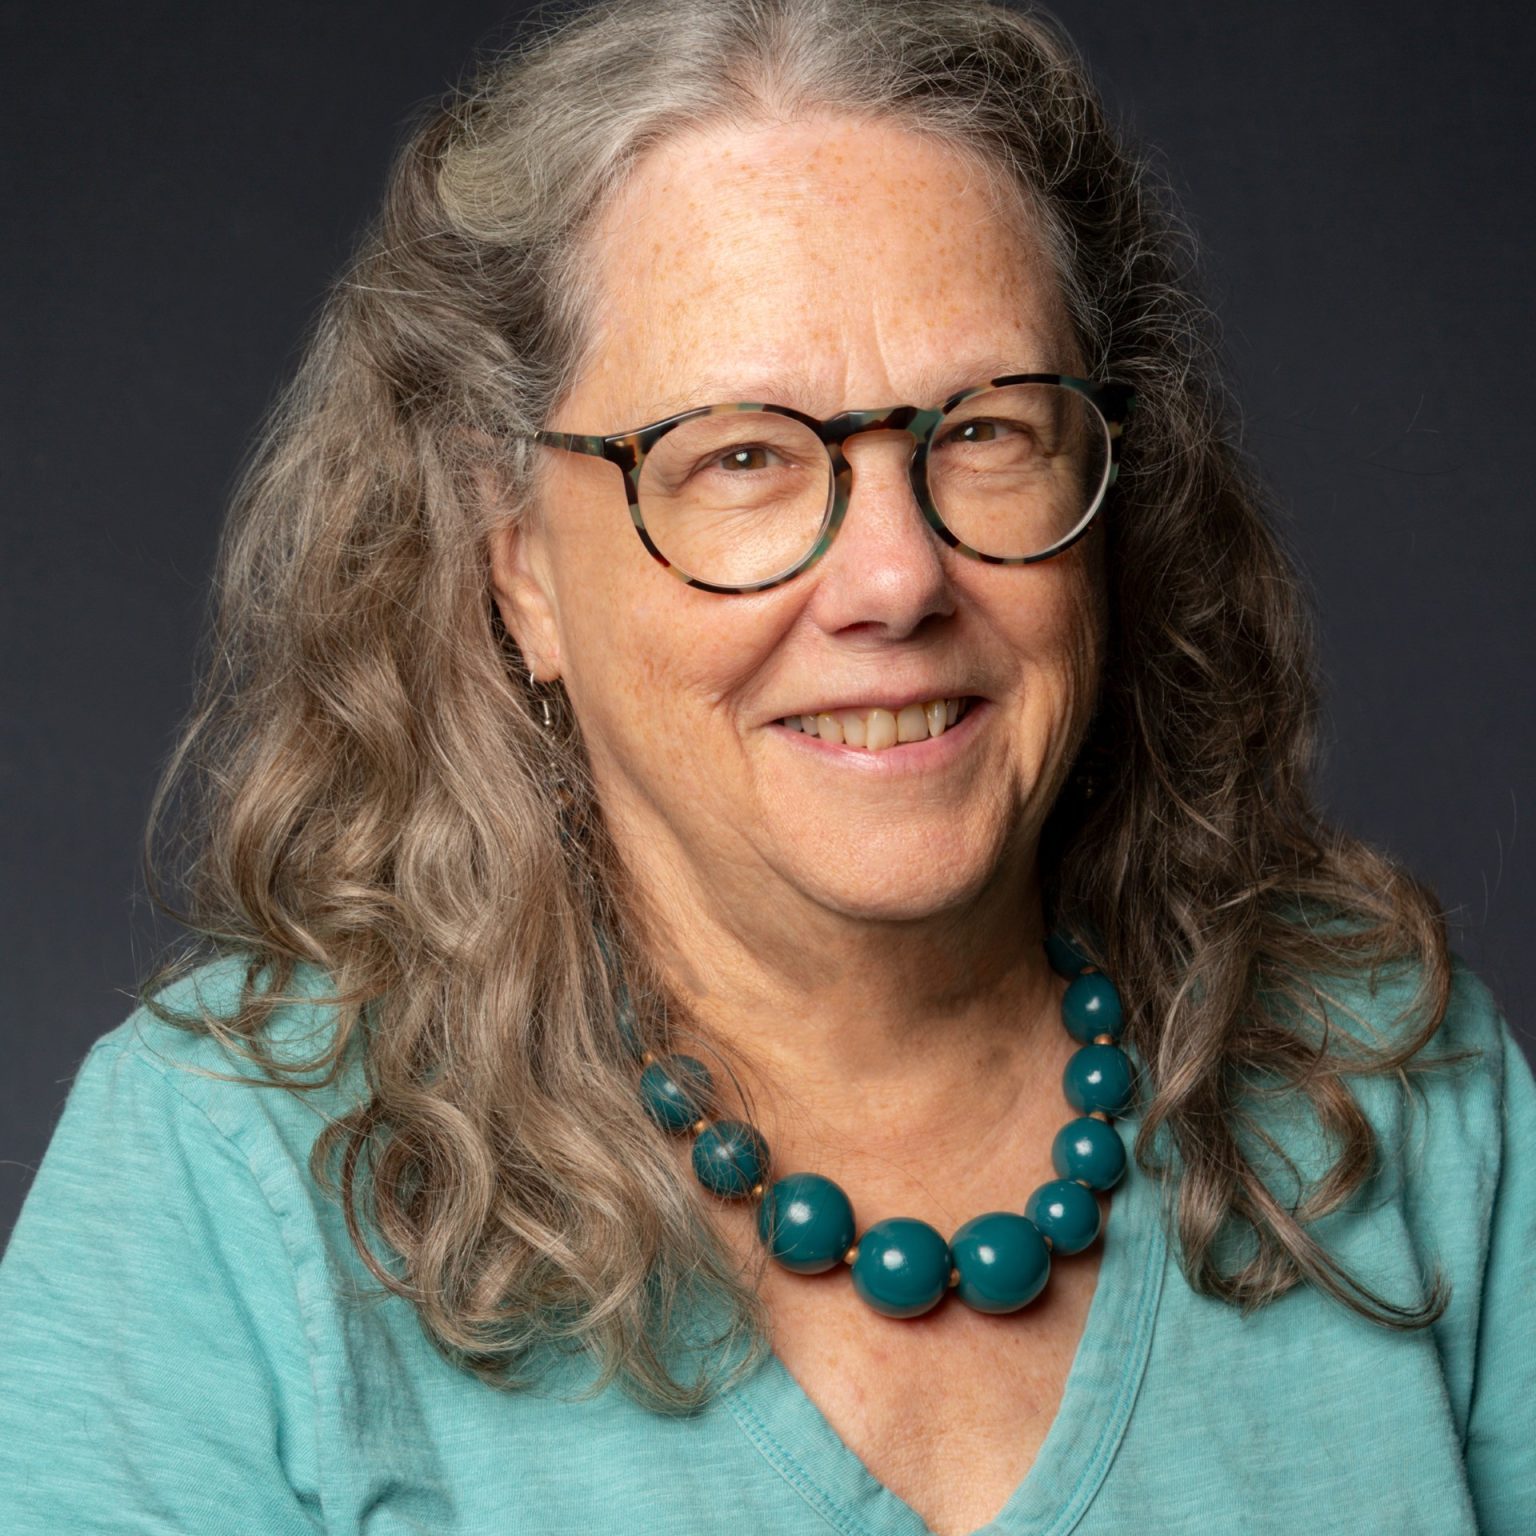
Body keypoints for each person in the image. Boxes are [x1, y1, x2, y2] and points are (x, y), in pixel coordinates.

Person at [2, 0, 1531, 1531]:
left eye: (990, 429)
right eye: (741, 455)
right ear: (516, 560)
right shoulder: (220, 1180)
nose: (895, 578)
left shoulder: (1396, 1080)